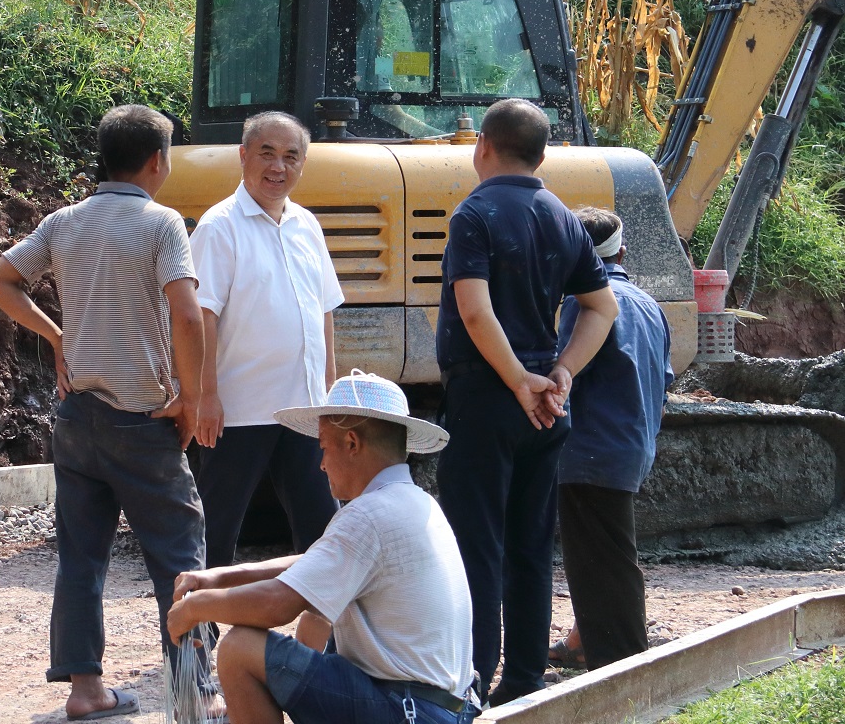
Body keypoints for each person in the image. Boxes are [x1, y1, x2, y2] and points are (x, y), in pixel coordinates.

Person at [0, 104, 206, 721]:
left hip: (77, 417)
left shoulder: (62, 222)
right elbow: (186, 315)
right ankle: (193, 693)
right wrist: (191, 396)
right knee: (178, 552)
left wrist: (57, 337)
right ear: (159, 161)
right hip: (141, 418)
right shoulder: (162, 225)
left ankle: (86, 690)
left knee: (82, 555)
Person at [433, 98, 620, 705]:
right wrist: (560, 372)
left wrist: (516, 378)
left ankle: (473, 679)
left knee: (476, 544)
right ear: (542, 155)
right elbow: (602, 307)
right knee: (531, 546)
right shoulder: (562, 217)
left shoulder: (475, 213)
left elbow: (474, 309)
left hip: (487, 398)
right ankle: (525, 679)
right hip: (547, 407)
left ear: (482, 145)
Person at [167, 372, 479, 724]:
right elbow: (316, 563)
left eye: (324, 446)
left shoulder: (368, 515)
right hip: (449, 708)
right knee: (318, 616)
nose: (321, 463)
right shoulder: (415, 502)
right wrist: (218, 578)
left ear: (351, 443)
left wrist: (198, 608)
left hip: (410, 711)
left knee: (240, 649)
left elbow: (276, 605)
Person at [188, 111, 343, 585]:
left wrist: (330, 393)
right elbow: (202, 316)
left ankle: (333, 648)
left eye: (291, 156)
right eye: (267, 154)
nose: (279, 167)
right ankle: (196, 644)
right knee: (216, 533)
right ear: (243, 156)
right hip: (239, 411)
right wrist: (205, 395)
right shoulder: (220, 226)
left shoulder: (306, 225)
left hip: (303, 410)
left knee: (324, 534)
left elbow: (324, 312)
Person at [551, 207, 673, 672]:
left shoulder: (583, 306)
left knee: (603, 560)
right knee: (602, 550)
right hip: (632, 445)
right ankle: (583, 642)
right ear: (623, 250)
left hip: (589, 450)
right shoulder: (647, 303)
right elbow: (663, 382)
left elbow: (567, 378)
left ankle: (620, 662)